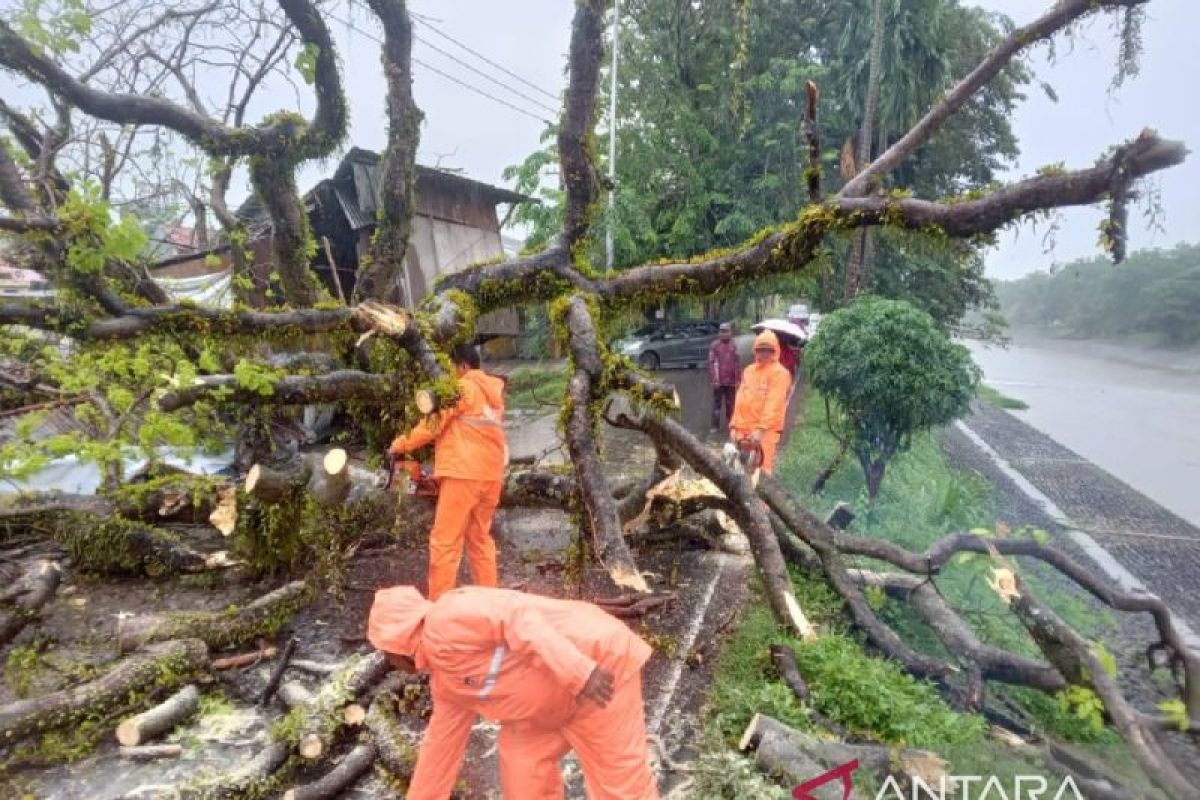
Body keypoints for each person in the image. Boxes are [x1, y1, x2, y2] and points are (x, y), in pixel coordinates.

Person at [367, 585, 660, 800]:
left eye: (384, 652)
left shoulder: (448, 616)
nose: (387, 661)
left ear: (397, 641)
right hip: (545, 713)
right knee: (522, 773)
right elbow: (439, 751)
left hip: (599, 677)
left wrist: (579, 672)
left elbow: (515, 616)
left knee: (622, 789)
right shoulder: (446, 684)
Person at [388, 344, 508, 600]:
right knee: (479, 540)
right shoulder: (493, 397)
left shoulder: (462, 388)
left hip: (463, 475)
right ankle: (492, 604)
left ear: (463, 366)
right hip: (491, 477)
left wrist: (399, 445)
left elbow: (432, 425)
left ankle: (439, 607)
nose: (450, 374)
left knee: (445, 542)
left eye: (452, 367)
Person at [729, 329, 792, 474]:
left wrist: (760, 429)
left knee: (761, 474)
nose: (764, 353)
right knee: (738, 473)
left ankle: (762, 497)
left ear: (775, 351)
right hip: (742, 431)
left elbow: (773, 404)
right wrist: (733, 426)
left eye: (768, 350)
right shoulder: (749, 371)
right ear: (755, 350)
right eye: (760, 349)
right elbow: (740, 399)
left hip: (764, 433)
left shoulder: (780, 374)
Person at [707, 322, 742, 432]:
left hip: (731, 381)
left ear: (731, 332)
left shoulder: (733, 345)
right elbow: (711, 363)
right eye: (722, 331)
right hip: (719, 381)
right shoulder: (715, 345)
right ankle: (714, 426)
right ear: (719, 333)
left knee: (731, 404)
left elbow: (737, 363)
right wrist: (715, 379)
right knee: (717, 404)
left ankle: (731, 424)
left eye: (726, 331)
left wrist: (738, 379)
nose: (724, 334)